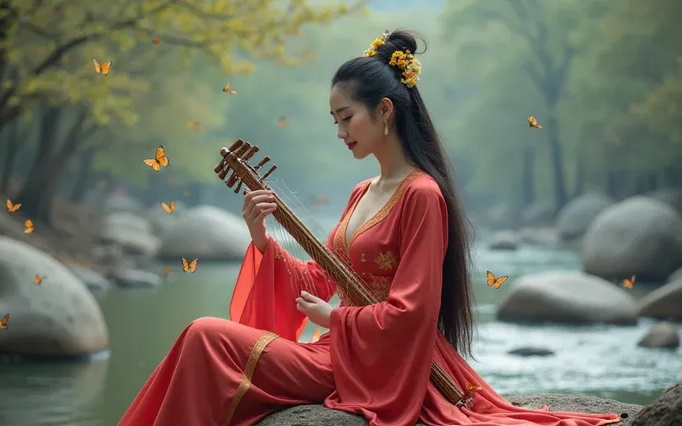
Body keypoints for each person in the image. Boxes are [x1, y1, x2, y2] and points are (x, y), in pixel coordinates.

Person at [118, 30, 622, 426]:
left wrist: (335, 321)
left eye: (346, 118)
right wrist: (260, 239)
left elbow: (413, 312)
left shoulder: (422, 195)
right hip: (340, 350)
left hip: (379, 363)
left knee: (205, 335)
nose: (339, 132)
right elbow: (321, 282)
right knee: (200, 336)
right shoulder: (362, 192)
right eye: (333, 121)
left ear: (384, 111)